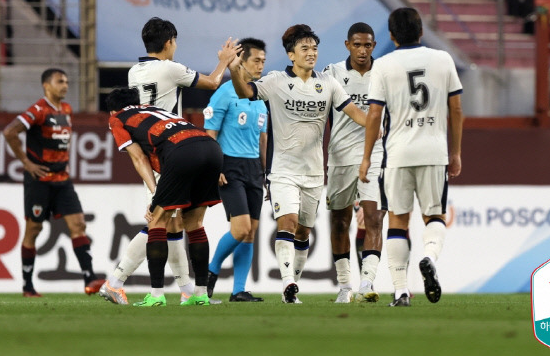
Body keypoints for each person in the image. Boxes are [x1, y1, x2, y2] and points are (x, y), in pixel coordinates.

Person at [99, 16, 240, 305]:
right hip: (171, 147)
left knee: (172, 223)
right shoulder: (171, 68)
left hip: (151, 146)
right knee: (160, 220)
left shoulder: (133, 72)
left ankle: (187, 288)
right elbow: (213, 82)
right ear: (169, 42)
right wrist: (225, 60)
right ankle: (116, 280)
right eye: (175, 42)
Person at [228, 24, 368, 303]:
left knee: (304, 231)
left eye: (314, 48)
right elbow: (245, 92)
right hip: (283, 171)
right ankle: (288, 282)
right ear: (291, 54)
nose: (311, 53)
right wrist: (233, 68)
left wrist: (380, 130)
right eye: (304, 48)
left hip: (314, 172)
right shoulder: (276, 81)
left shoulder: (327, 83)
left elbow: (355, 112)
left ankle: (293, 288)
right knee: (287, 223)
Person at [359, 8, 463, 307]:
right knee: (434, 216)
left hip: (397, 153)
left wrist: (367, 158)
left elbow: (375, 114)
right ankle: (429, 256)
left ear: (390, 36)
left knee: (397, 222)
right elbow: (455, 110)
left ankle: (402, 291)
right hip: (433, 151)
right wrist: (455, 152)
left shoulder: (384, 65)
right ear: (421, 31)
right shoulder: (443, 59)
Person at [106, 87, 224, 307]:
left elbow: (139, 158)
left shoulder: (117, 119)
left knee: (157, 222)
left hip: (182, 152)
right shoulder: (154, 109)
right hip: (211, 148)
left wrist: (155, 194)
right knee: (194, 223)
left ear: (113, 111)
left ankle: (157, 295)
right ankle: (199, 294)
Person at [2, 68, 105, 297]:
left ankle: (89, 279)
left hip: (62, 181)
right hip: (39, 181)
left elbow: (63, 143)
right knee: (34, 229)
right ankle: (27, 286)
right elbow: (10, 132)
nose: (65, 85)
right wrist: (27, 164)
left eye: (67, 81)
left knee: (78, 224)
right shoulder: (38, 110)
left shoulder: (67, 110)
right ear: (46, 86)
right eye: (60, 81)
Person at [322, 22, 386, 304]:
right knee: (339, 221)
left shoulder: (384, 73)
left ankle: (367, 282)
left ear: (374, 46)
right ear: (347, 45)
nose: (362, 50)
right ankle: (345, 286)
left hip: (375, 156)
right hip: (340, 157)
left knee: (374, 218)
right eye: (357, 44)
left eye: (368, 45)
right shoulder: (333, 73)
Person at [204, 38, 268, 302]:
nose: (261, 66)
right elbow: (210, 133)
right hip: (229, 165)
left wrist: (266, 173)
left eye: (264, 61)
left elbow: (263, 138)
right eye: (256, 60)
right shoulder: (224, 93)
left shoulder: (262, 94)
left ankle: (239, 290)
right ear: (240, 61)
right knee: (240, 228)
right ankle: (209, 272)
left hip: (254, 168)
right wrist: (214, 165)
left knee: (250, 231)